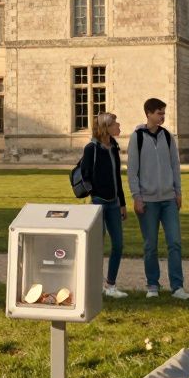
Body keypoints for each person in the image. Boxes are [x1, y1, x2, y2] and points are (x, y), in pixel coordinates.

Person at [127, 99, 189, 300]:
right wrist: (137, 196)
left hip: (169, 199)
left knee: (175, 242)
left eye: (163, 113)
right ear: (148, 113)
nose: (162, 116)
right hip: (147, 201)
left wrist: (178, 192)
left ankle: (177, 287)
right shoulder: (137, 138)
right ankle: (152, 285)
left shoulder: (168, 137)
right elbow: (132, 171)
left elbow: (175, 166)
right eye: (159, 113)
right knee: (150, 245)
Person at [80, 113, 129, 299]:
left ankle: (110, 285)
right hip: (98, 204)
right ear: (106, 127)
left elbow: (117, 178)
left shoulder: (114, 147)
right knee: (96, 246)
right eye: (115, 123)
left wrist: (122, 203)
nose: (119, 126)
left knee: (118, 244)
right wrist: (95, 194)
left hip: (114, 204)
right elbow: (85, 176)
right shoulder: (91, 149)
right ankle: (92, 285)